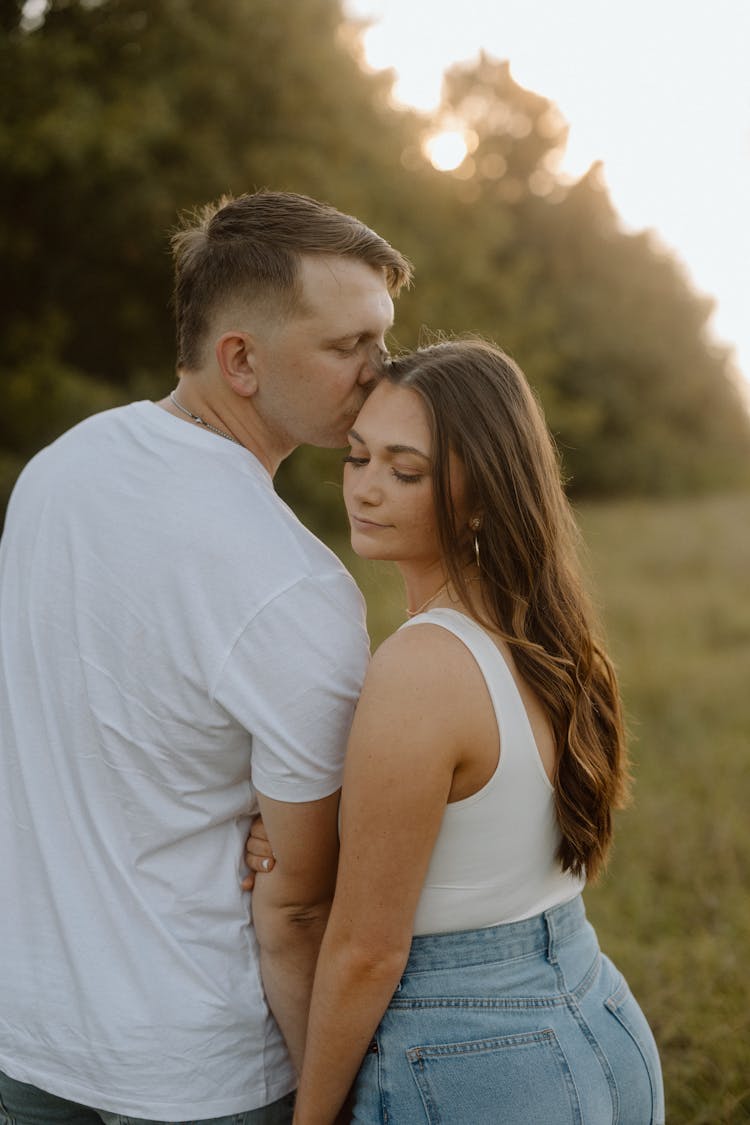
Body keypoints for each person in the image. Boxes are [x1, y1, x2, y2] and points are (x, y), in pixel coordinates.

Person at [0, 190, 412, 1125]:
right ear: (242, 361)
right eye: (349, 346)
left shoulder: (56, 471)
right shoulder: (294, 587)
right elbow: (303, 913)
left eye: (382, 340)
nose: (382, 373)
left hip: (27, 1028)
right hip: (198, 1068)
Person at [248, 338, 665, 1124]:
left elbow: (367, 950)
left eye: (405, 471)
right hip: (598, 1017)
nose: (366, 489)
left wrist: (311, 1118)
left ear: (482, 496)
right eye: (357, 457)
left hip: (478, 1059)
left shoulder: (422, 666)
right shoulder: (547, 636)